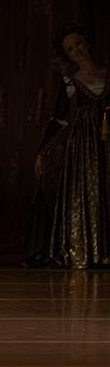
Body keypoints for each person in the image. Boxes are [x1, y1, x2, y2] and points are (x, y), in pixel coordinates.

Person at [34, 23, 110, 268]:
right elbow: (59, 118)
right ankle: (90, 251)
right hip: (85, 149)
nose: (76, 50)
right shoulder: (70, 82)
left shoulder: (107, 74)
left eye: (77, 43)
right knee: (91, 194)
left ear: (86, 42)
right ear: (67, 55)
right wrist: (42, 152)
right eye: (69, 49)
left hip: (108, 144)